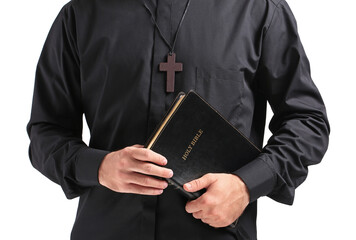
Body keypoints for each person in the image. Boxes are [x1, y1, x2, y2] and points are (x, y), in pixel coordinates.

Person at [27, 0, 330, 239]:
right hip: (107, 230)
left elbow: (307, 120)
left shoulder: (259, 10)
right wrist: (100, 167)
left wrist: (246, 185)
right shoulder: (81, 14)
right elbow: (46, 131)